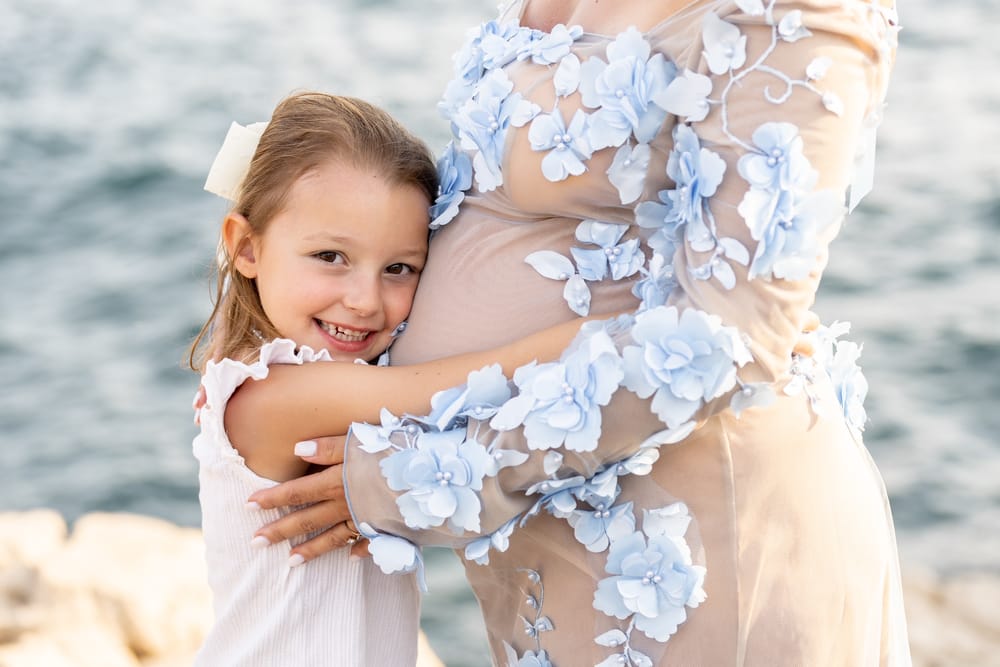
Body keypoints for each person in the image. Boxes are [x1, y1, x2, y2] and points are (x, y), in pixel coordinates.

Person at [231, 1, 910, 664]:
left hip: (700, 549)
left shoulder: (800, 11)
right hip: (550, 553)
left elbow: (729, 341)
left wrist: (420, 478)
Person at [190, 90, 598, 666]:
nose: (364, 301)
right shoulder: (273, 395)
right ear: (247, 247)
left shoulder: (310, 379)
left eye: (399, 268)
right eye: (330, 256)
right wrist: (624, 328)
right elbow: (479, 379)